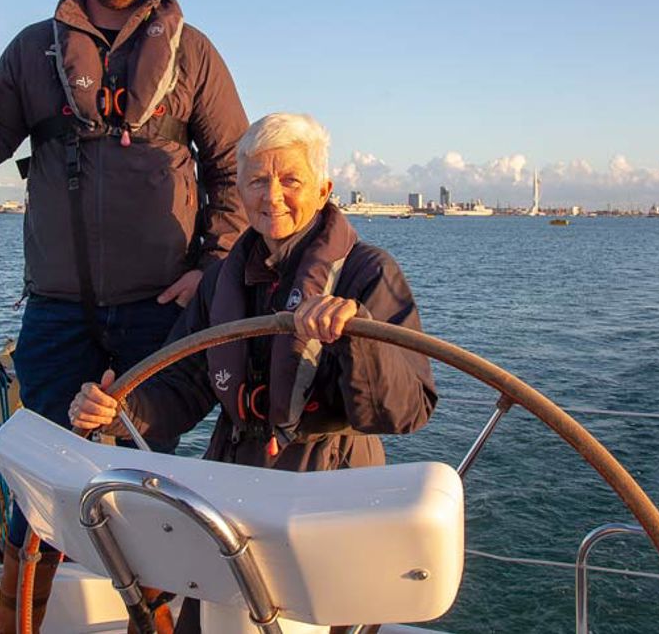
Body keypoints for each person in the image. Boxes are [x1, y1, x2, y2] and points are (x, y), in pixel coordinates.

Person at [0, 0, 249, 633]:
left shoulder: (193, 57)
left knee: (148, 493)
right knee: (37, 493)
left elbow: (232, 167)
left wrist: (211, 265)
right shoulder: (34, 51)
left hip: (158, 315)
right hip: (57, 315)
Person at [70, 112, 438, 632]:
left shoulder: (369, 273)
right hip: (232, 482)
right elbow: (183, 386)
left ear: (323, 188)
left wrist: (360, 337)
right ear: (239, 190)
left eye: (291, 180)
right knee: (215, 617)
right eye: (258, 181)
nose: (273, 197)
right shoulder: (221, 280)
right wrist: (120, 410)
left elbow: (407, 411)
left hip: (333, 484)